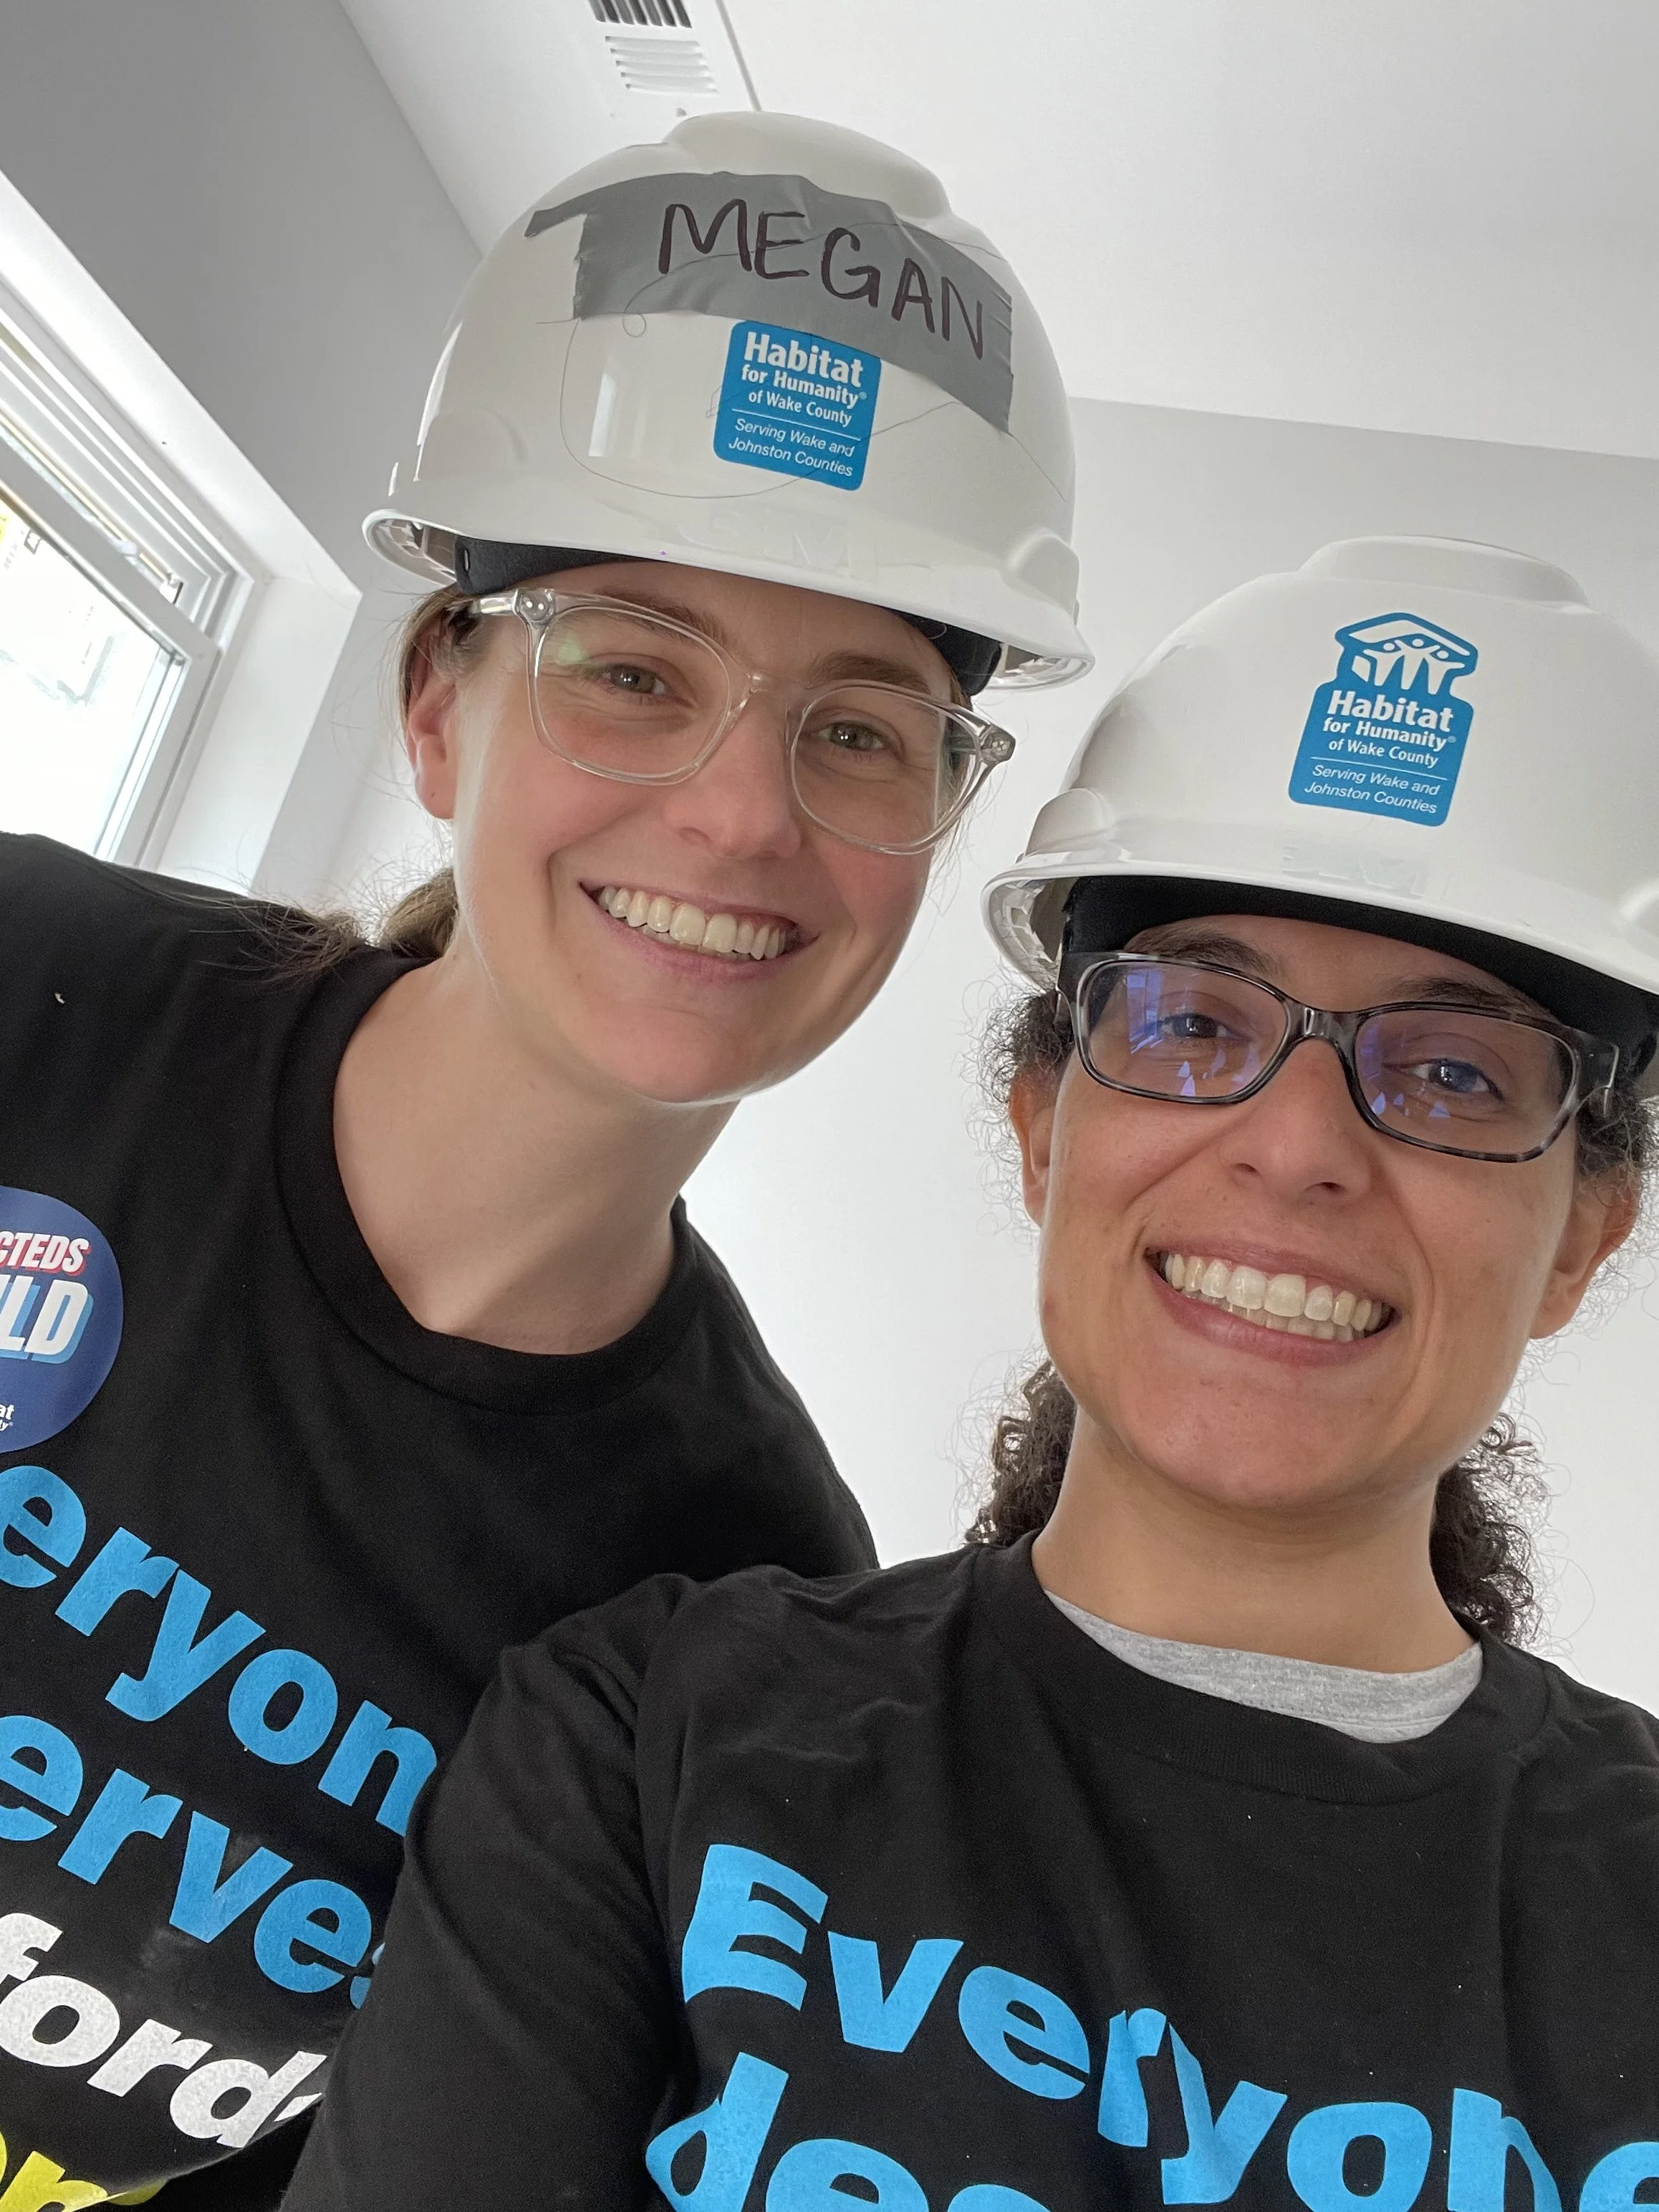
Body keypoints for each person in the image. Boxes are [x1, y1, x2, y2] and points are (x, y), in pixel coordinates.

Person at [288, 536, 1659, 2210]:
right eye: (1191, 1022)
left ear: (1584, 1235)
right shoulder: (647, 1742)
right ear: (1042, 1128)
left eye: (1452, 1073)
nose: (1298, 1144)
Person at [0, 111, 1087, 2208]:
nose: (740, 814)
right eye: (633, 671)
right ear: (438, 701)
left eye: (857, 727)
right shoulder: (35, 988)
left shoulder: (741, 1602)